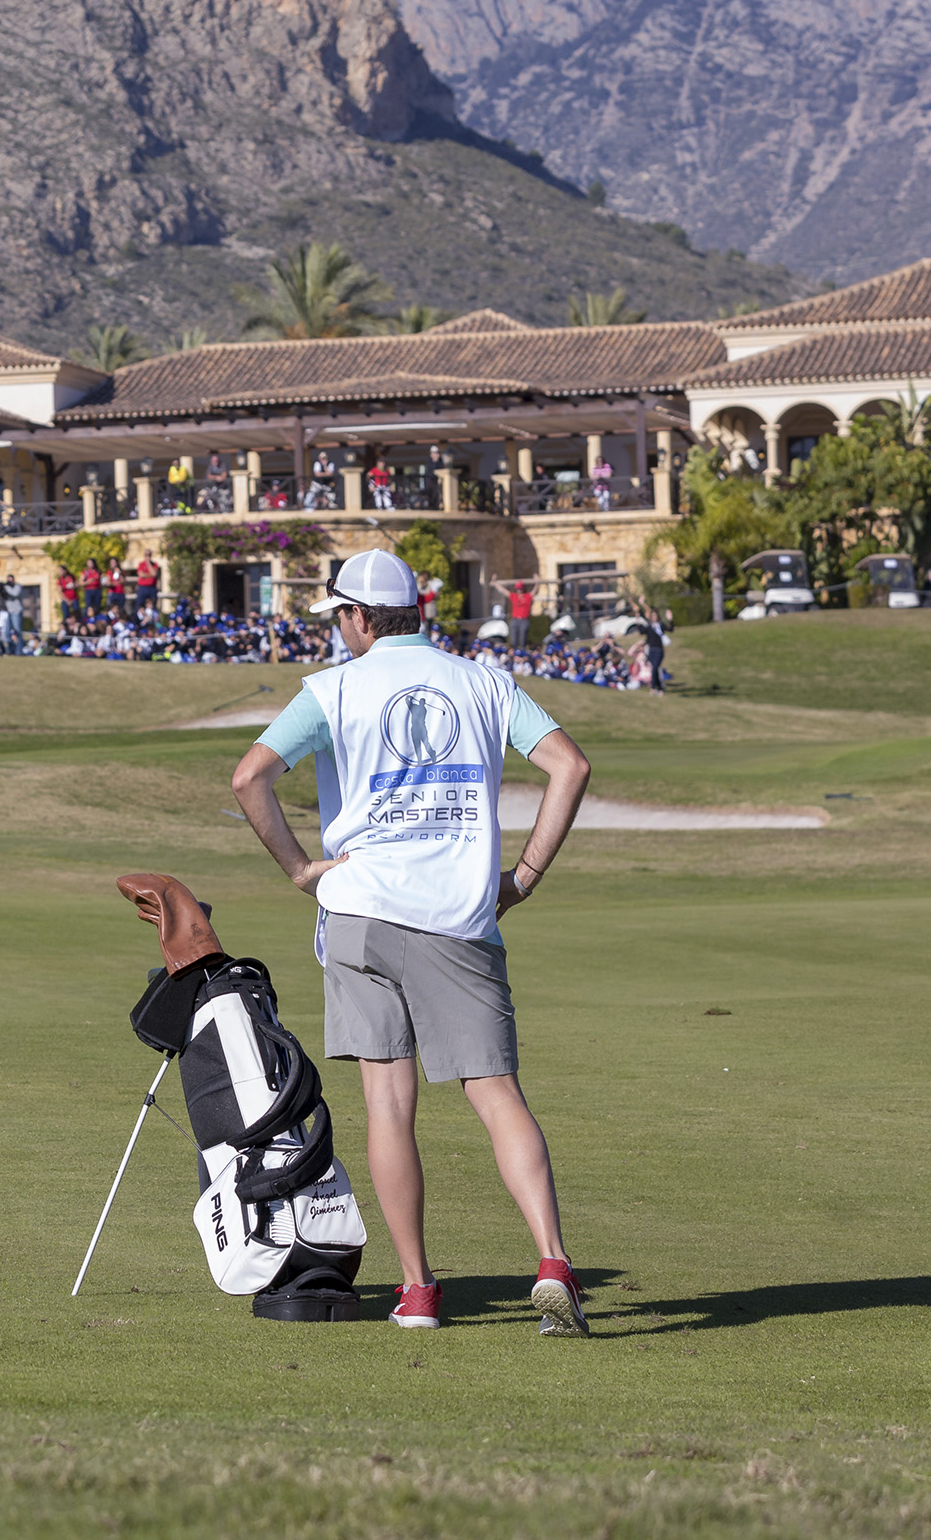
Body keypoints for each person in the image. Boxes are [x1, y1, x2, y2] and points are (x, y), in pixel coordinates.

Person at [227, 549, 595, 1337]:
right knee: (495, 1094)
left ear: (358, 617)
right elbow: (569, 765)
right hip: (458, 917)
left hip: (359, 912)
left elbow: (247, 777)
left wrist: (300, 870)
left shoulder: (330, 688)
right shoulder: (486, 681)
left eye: (339, 617)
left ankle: (419, 1291)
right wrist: (522, 876)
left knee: (388, 1108)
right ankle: (553, 1261)